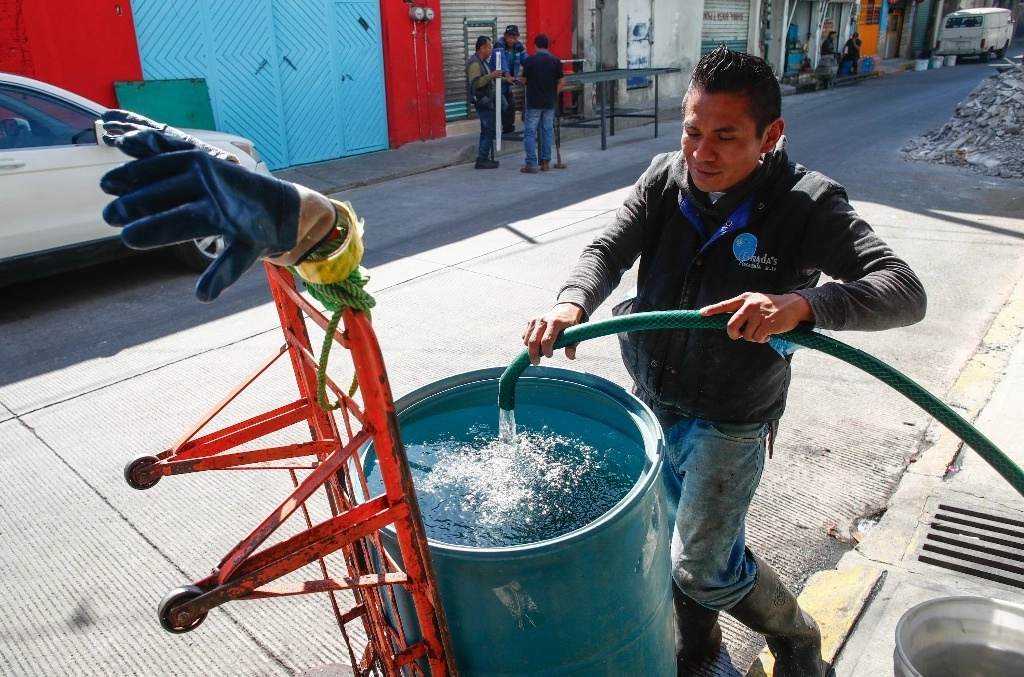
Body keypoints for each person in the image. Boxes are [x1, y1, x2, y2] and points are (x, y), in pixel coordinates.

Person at [521, 46, 926, 677]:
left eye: (725, 137)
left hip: (730, 416)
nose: (701, 153)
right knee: (678, 541)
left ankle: (797, 639)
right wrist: (571, 304)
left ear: (771, 135)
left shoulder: (806, 204)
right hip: (653, 396)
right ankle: (700, 650)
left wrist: (801, 303)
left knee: (706, 563)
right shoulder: (664, 179)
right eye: (692, 131)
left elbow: (904, 289)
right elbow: (608, 247)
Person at [518, 34, 564, 174]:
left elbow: (524, 81)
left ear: (535, 45)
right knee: (547, 131)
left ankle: (531, 164)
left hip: (534, 103)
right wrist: (553, 94)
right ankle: (545, 162)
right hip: (549, 102)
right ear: (548, 45)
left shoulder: (530, 61)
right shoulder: (555, 61)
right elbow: (562, 82)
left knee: (530, 133)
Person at [466, 36, 508, 169]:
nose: (491, 50)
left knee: (487, 130)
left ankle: (484, 157)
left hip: (488, 100)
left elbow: (488, 80)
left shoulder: (482, 61)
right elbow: (476, 83)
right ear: (482, 48)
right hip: (483, 101)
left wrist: (503, 79)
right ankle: (482, 159)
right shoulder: (475, 63)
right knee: (489, 130)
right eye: (489, 47)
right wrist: (492, 76)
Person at [491, 25, 529, 135]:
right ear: (505, 36)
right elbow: (501, 61)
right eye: (510, 37)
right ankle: (497, 135)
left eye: (514, 37)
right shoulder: (499, 45)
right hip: (497, 83)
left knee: (510, 108)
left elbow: (526, 60)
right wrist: (507, 75)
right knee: (500, 108)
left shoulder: (518, 47)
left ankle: (508, 133)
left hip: (507, 85)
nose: (512, 40)